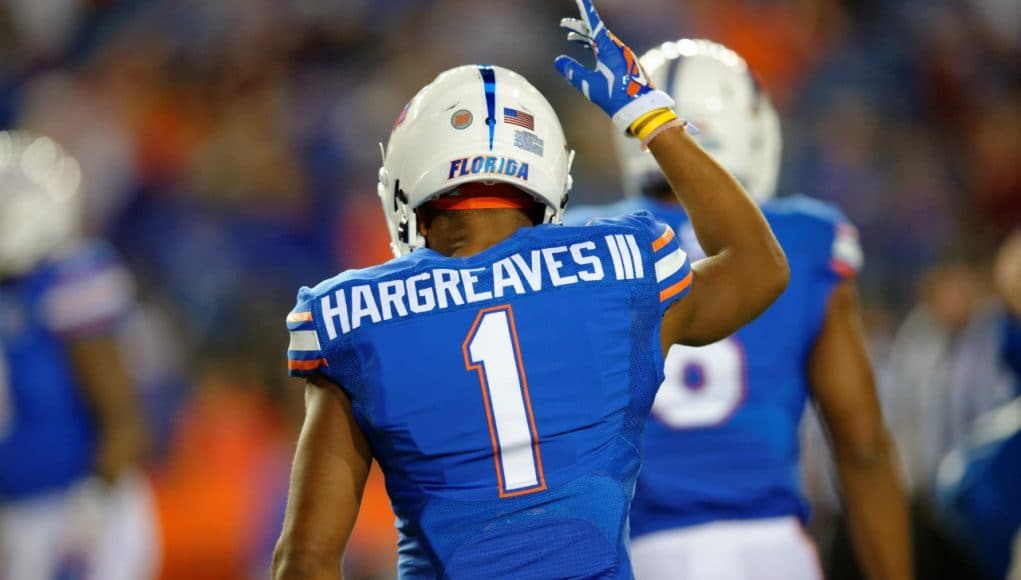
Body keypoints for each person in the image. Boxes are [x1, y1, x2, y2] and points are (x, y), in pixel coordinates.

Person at [271, 1, 789, 577]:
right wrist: (651, 118)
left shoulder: (357, 318)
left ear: (407, 186)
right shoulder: (622, 272)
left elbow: (306, 557)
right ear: (544, 180)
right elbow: (758, 268)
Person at [566, 40, 912, 580]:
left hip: (635, 551)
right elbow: (861, 446)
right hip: (769, 550)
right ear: (750, 128)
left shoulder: (581, 242)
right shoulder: (804, 237)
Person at [0, 130, 158, 579]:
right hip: (17, 517)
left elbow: (124, 415)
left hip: (81, 509)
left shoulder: (70, 278)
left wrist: (93, 506)